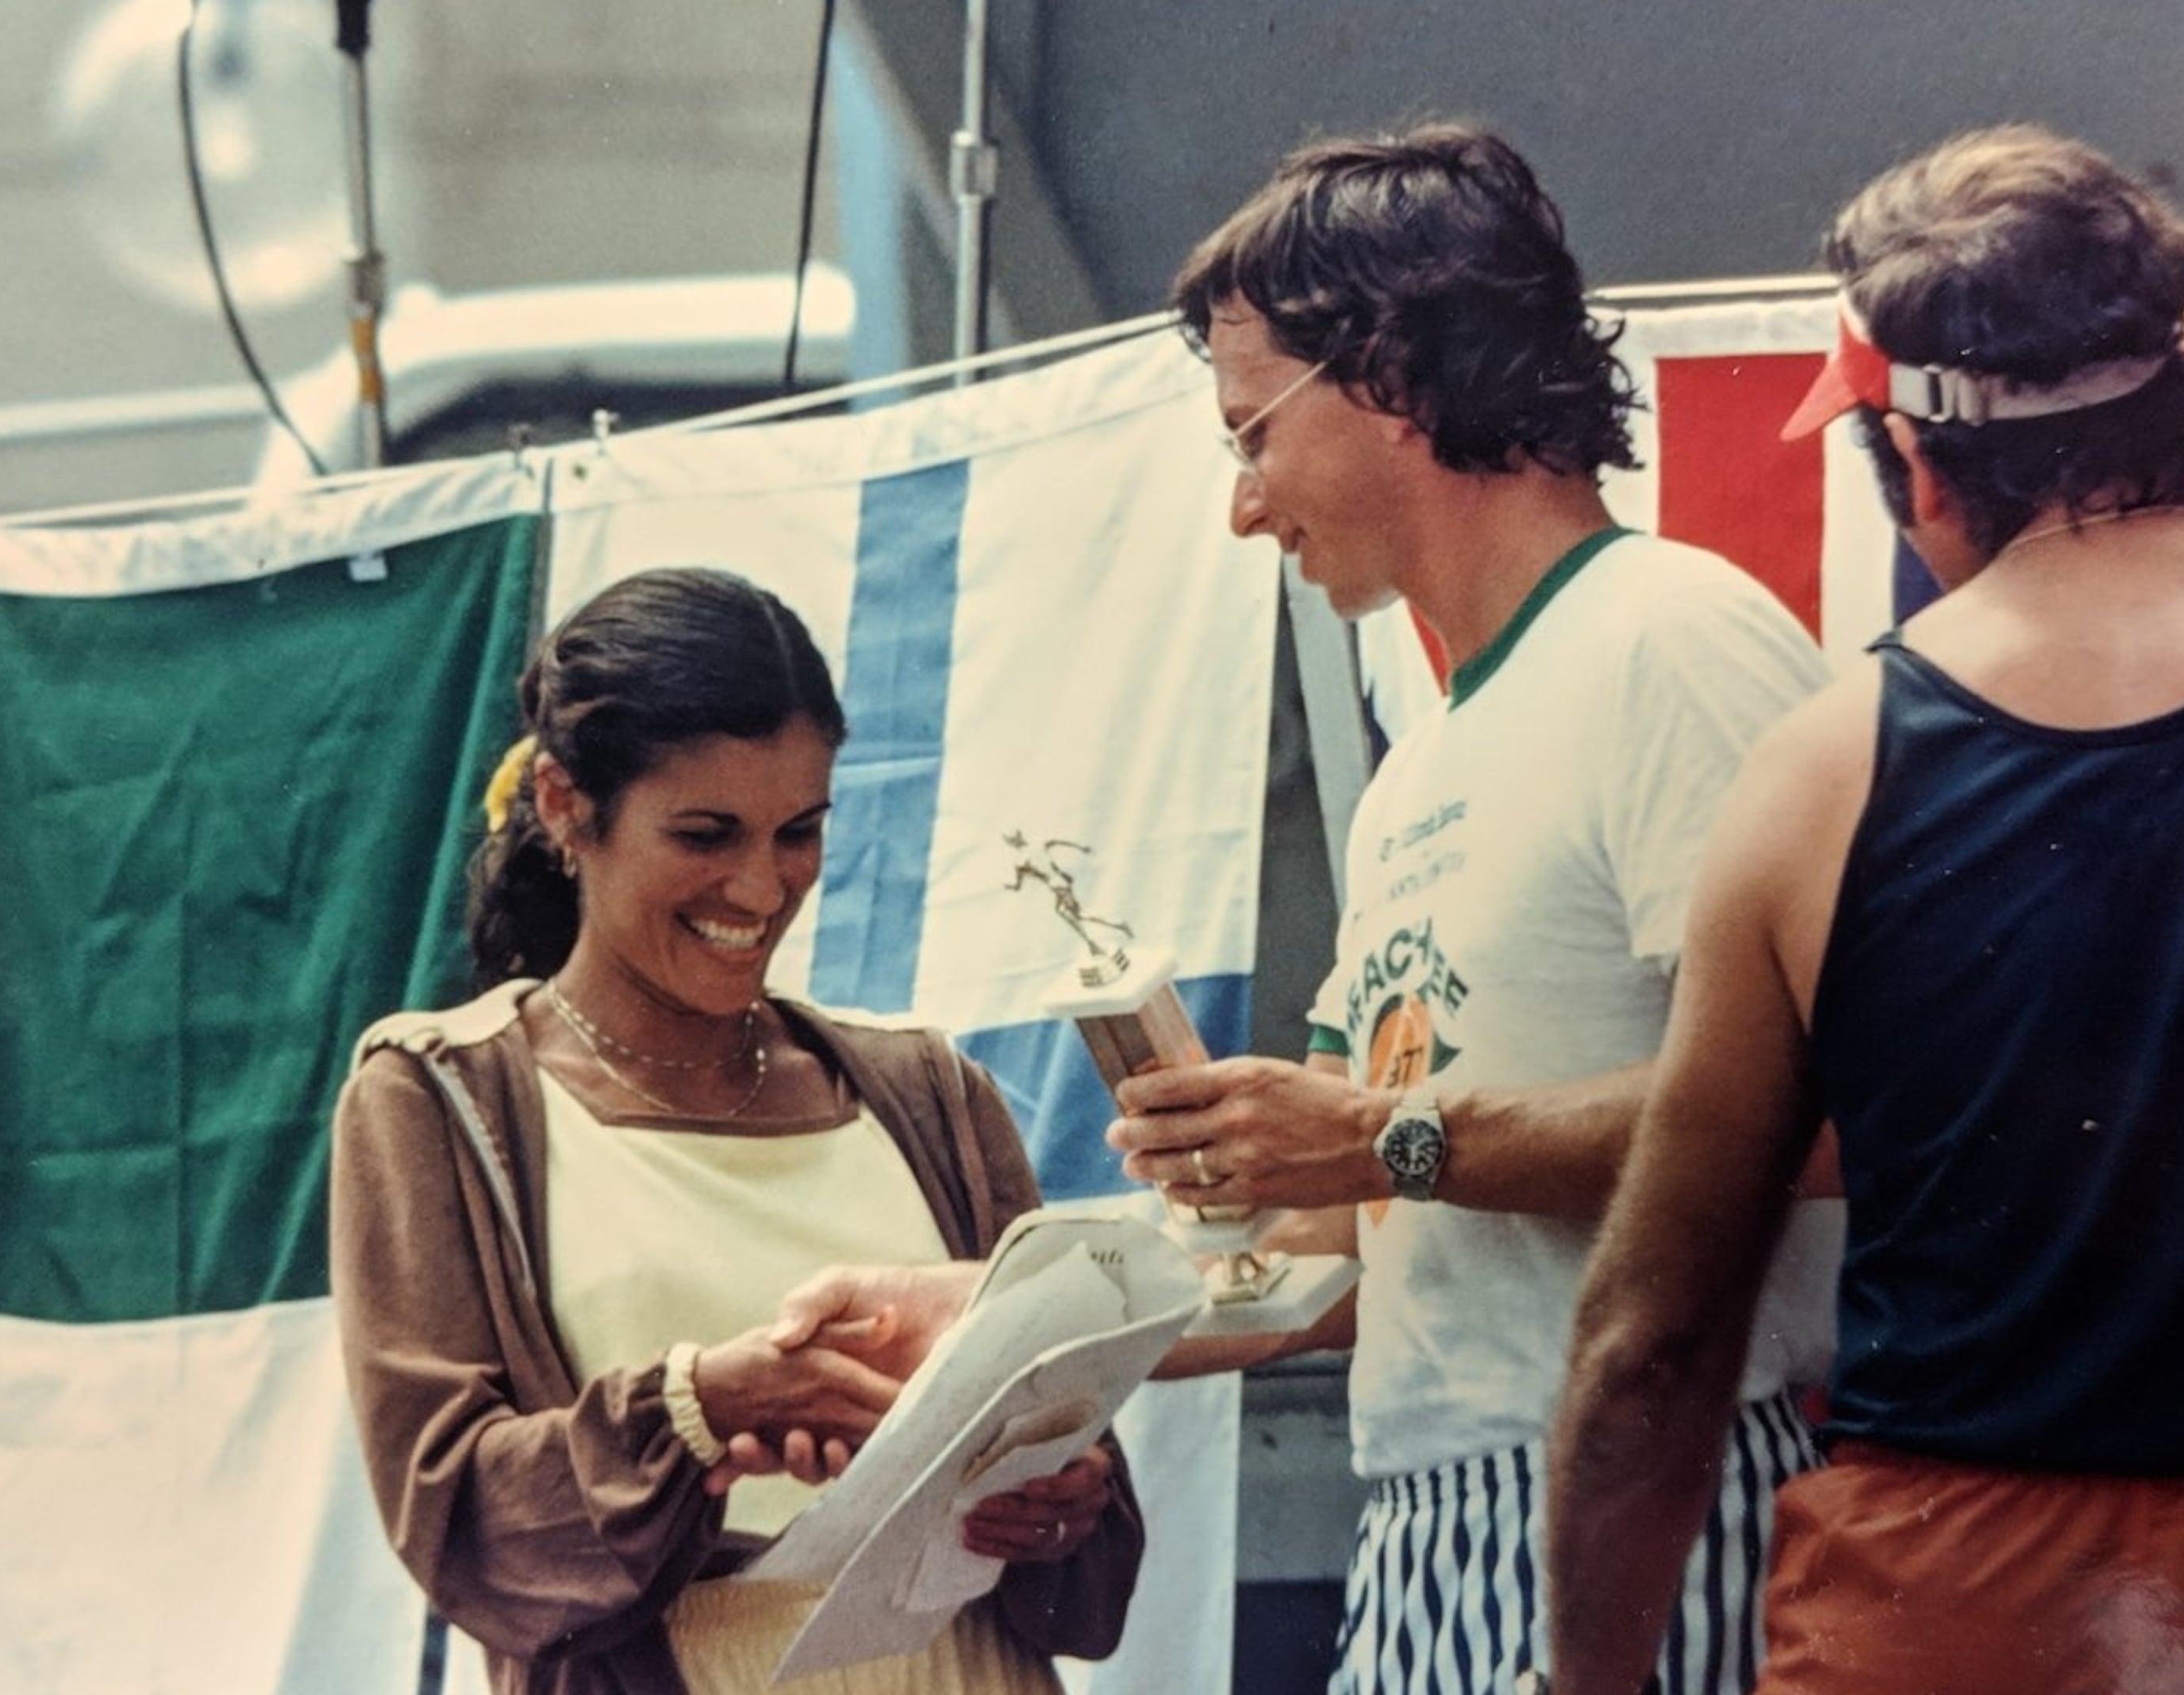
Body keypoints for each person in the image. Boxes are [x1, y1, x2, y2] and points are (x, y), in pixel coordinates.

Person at [789, 122, 1842, 1695]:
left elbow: (1825, 1119)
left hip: (1649, 1494)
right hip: (1432, 1530)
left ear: (1390, 376)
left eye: (1247, 435)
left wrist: (1382, 1139)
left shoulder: (1671, 641)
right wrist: (977, 1319)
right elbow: (1318, 1242)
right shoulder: (1425, 762)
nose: (1243, 507)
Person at [1541, 125, 2184, 1695]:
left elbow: (1653, 1343)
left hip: (1935, 1616)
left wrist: (1585, 1685)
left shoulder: (1811, 781)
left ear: (1911, 457)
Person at [329, 566, 1143, 1695]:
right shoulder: (440, 1099)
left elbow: (1082, 1533)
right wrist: (703, 1407)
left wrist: (1060, 1497)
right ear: (567, 805)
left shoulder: (932, 1092)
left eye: (799, 832)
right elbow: (458, 1519)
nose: (762, 890)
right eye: (707, 834)